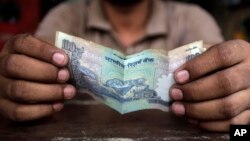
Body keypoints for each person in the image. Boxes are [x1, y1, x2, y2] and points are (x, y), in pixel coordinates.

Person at [0, 0, 249, 132]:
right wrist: (18, 71)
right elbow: (38, 52)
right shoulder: (66, 16)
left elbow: (223, 62)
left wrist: (239, 81)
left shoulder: (192, 18)